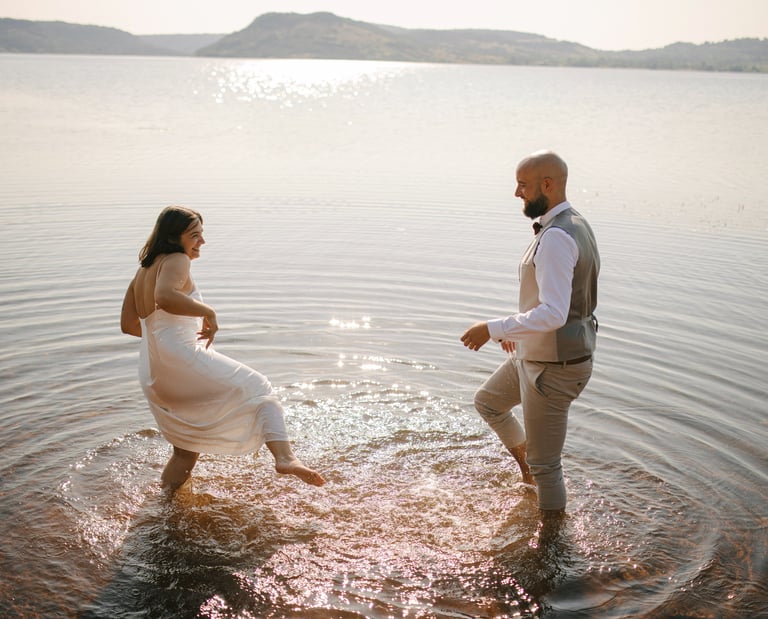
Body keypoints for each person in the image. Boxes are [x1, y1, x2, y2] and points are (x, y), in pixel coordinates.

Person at [121, 205, 325, 491]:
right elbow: (165, 296)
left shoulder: (141, 273)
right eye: (194, 235)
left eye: (201, 234)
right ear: (174, 237)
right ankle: (286, 459)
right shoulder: (177, 259)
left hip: (150, 371)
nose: (201, 241)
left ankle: (165, 504)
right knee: (259, 388)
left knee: (185, 449)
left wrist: (163, 337)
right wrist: (208, 312)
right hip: (178, 357)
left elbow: (129, 325)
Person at [461, 151, 599, 514]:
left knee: (548, 464)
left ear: (547, 185)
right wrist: (518, 330)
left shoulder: (557, 237)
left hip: (554, 367)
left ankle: (549, 552)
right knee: (489, 402)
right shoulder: (574, 223)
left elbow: (554, 313)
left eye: (523, 185)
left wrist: (491, 329)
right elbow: (553, 304)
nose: (517, 193)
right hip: (536, 354)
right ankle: (528, 474)